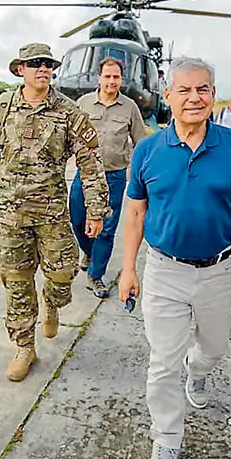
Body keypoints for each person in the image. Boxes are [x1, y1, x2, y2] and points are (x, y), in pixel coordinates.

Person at [118, 56, 231, 459]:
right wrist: (128, 269)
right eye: (183, 90)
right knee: (162, 363)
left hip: (220, 271)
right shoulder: (148, 150)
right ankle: (167, 438)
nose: (193, 98)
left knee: (215, 347)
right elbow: (135, 213)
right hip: (164, 271)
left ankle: (199, 369)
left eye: (202, 89)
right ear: (168, 97)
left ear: (213, 96)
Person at [0, 42, 109, 383]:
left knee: (61, 276)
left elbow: (90, 163)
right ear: (20, 70)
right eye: (35, 64)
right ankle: (24, 348)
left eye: (47, 64)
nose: (43, 68)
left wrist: (96, 208)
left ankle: (52, 304)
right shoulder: (0, 109)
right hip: (11, 217)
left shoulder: (68, 112)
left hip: (52, 215)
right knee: (16, 285)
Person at [70, 56, 147, 298]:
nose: (112, 81)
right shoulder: (83, 103)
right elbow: (69, 133)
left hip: (113, 177)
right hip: (84, 175)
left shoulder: (129, 107)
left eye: (116, 77)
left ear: (121, 79)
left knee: (106, 228)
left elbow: (141, 141)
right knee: (77, 219)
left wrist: (135, 170)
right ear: (99, 77)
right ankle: (89, 251)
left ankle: (95, 274)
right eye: (107, 76)